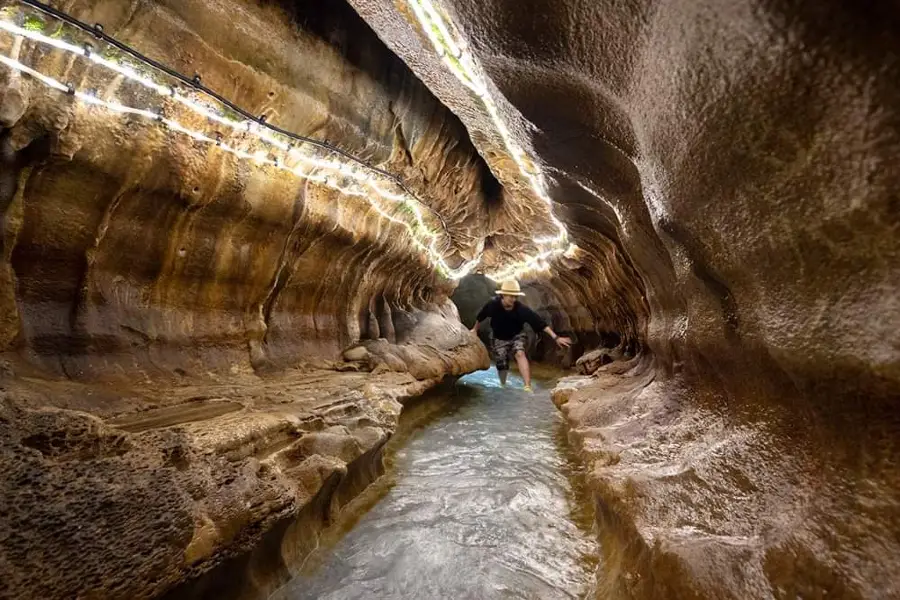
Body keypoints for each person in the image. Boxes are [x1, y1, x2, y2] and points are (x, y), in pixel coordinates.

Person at [470, 279, 572, 392]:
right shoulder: (493, 304)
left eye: (515, 297)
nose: (513, 299)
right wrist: (474, 330)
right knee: (502, 362)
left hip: (517, 335)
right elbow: (481, 317)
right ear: (503, 295)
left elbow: (540, 323)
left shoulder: (521, 309)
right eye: (511, 296)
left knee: (520, 353)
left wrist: (556, 337)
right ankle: (503, 383)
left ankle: (527, 386)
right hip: (499, 337)